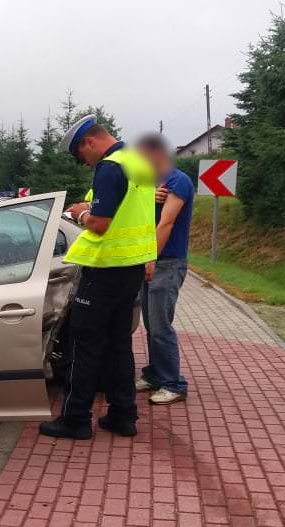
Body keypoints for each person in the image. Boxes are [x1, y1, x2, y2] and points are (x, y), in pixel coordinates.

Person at [39, 115, 157, 439]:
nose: (83, 161)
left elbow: (101, 223)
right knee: (119, 345)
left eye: (81, 155)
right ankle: (123, 416)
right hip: (130, 269)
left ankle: (75, 419)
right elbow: (137, 215)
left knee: (84, 345)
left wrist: (79, 213)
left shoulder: (109, 167)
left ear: (90, 142)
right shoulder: (137, 163)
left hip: (104, 270)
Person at [135, 134, 194, 404]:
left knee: (161, 326)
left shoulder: (178, 181)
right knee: (150, 324)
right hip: (152, 261)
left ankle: (174, 383)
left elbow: (166, 224)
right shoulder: (152, 184)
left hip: (166, 263)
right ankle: (155, 375)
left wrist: (151, 258)